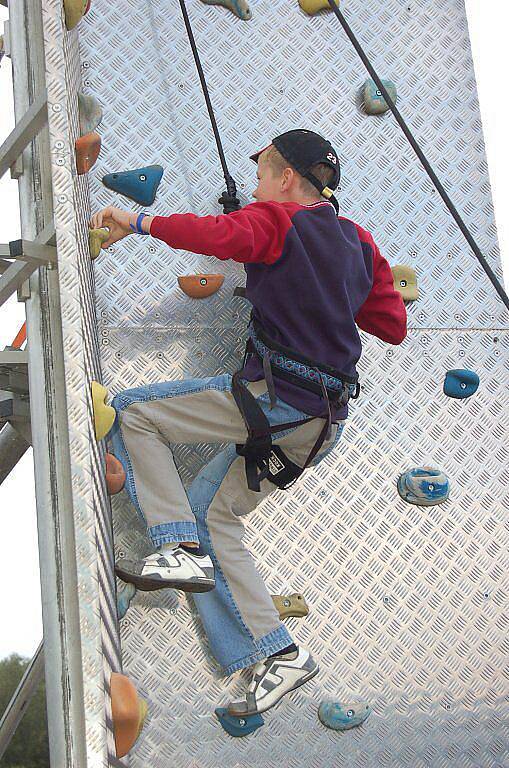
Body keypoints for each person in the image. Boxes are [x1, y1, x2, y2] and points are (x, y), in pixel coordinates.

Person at [90, 129, 407, 717]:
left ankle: (173, 544)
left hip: (278, 397)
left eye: (263, 174)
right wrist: (322, 287)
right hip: (321, 424)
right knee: (216, 514)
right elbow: (391, 324)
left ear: (286, 178)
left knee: (133, 415)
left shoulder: (276, 222)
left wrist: (137, 224)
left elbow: (217, 236)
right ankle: (276, 652)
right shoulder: (359, 243)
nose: (258, 186)